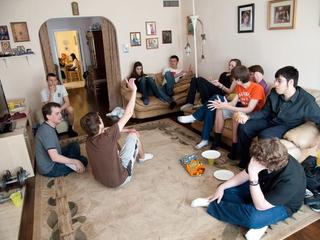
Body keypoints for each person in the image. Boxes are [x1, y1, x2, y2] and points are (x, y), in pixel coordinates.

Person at [192, 138, 306, 235]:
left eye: (257, 161)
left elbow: (261, 205)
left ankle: (212, 205)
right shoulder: (265, 158)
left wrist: (254, 175)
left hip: (282, 205)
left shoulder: (292, 179)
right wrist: (221, 188)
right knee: (225, 189)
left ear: (269, 164)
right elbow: (243, 175)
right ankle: (261, 218)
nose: (254, 162)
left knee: (253, 218)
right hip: (262, 186)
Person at [236, 66, 320, 168]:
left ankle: (261, 169)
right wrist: (248, 117)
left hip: (286, 125)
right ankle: (246, 161)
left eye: (279, 81)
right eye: (275, 80)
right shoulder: (274, 92)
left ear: (290, 83)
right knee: (244, 127)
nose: (275, 84)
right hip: (269, 119)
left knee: (265, 136)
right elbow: (264, 112)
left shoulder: (306, 101)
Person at [80, 78, 154, 188]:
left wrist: (127, 130)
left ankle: (131, 155)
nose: (102, 120)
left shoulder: (89, 139)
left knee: (125, 135)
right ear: (100, 124)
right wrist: (134, 91)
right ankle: (142, 157)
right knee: (134, 136)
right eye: (100, 119)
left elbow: (106, 130)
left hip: (100, 179)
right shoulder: (107, 137)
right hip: (119, 180)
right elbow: (128, 114)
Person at [208, 65, 265, 158]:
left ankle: (235, 146)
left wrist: (227, 106)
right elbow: (233, 103)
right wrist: (222, 104)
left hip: (254, 114)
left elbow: (249, 109)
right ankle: (217, 139)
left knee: (236, 115)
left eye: (234, 79)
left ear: (238, 80)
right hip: (243, 109)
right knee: (220, 109)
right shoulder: (239, 87)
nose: (233, 81)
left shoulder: (257, 88)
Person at [35, 102, 88, 177]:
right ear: (48, 116)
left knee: (74, 145)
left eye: (60, 112)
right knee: (83, 160)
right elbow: (54, 157)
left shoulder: (48, 125)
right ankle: (70, 163)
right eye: (57, 114)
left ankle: (68, 163)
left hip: (54, 156)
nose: (61, 116)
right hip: (50, 168)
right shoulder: (47, 132)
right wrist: (75, 161)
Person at [41, 73, 78, 137]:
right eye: (51, 80)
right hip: (51, 112)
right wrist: (51, 94)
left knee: (70, 109)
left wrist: (59, 110)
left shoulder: (61, 87)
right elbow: (47, 108)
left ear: (57, 81)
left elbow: (67, 102)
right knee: (49, 113)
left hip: (61, 109)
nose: (53, 82)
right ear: (47, 81)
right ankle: (54, 131)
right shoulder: (43, 92)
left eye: (55, 80)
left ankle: (70, 129)